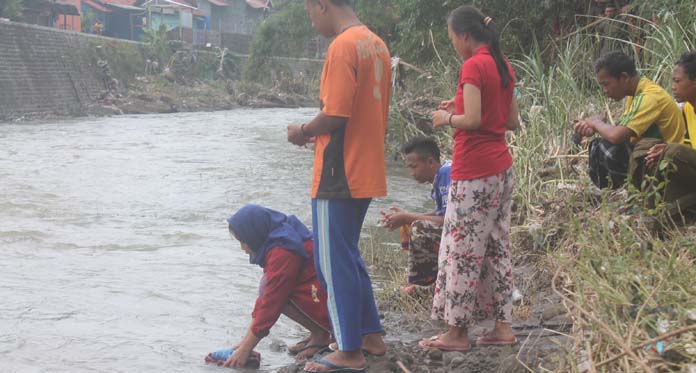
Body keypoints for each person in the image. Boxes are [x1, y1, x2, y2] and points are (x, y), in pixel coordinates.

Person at [286, 0, 391, 371]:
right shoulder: (374, 43)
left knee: (331, 262)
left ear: (322, 4)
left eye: (309, 12)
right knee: (346, 254)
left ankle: (349, 350)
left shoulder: (343, 46)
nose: (312, 19)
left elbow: (335, 113)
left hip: (338, 171)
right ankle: (370, 336)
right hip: (364, 166)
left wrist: (302, 132)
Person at [419, 5, 520, 352]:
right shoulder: (503, 65)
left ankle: (457, 333)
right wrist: (459, 106)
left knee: (461, 250)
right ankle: (502, 327)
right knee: (494, 247)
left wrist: (444, 119)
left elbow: (474, 119)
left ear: (464, 36)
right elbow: (511, 121)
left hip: (475, 169)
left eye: (451, 38)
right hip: (501, 167)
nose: (453, 44)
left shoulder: (474, 64)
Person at [218, 205, 331, 368]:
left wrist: (247, 348)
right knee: (268, 288)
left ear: (254, 234)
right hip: (320, 292)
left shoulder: (283, 251)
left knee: (276, 295)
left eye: (243, 241)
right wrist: (244, 342)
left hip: (328, 298)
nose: (243, 248)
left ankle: (321, 335)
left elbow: (272, 301)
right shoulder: (278, 238)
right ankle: (318, 332)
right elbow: (267, 293)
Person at [574, 51, 684, 189]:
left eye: (606, 84)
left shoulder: (649, 97)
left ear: (624, 77)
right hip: (655, 155)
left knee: (605, 149)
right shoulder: (636, 93)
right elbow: (622, 130)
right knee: (600, 145)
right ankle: (630, 193)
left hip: (666, 162)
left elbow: (616, 136)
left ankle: (636, 192)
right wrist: (597, 125)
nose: (605, 90)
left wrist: (596, 123)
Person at [380, 137, 450, 295]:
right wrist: (404, 217)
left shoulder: (446, 174)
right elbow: (440, 213)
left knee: (419, 227)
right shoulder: (441, 175)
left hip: (462, 232)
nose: (411, 173)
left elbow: (449, 220)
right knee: (413, 222)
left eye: (414, 167)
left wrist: (408, 217)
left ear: (430, 162)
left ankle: (423, 284)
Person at [642, 52, 696, 211]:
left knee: (673, 151)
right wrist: (664, 148)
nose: (673, 87)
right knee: (649, 149)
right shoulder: (687, 109)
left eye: (677, 81)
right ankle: (651, 208)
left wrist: (670, 149)